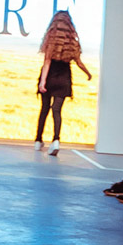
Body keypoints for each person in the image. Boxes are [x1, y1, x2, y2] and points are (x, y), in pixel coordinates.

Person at [34, 9, 91, 155]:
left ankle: (38, 140)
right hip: (64, 79)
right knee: (57, 110)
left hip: (50, 78)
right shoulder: (72, 43)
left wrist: (42, 82)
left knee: (45, 108)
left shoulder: (50, 41)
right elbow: (79, 62)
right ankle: (56, 140)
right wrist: (88, 73)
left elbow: (47, 62)